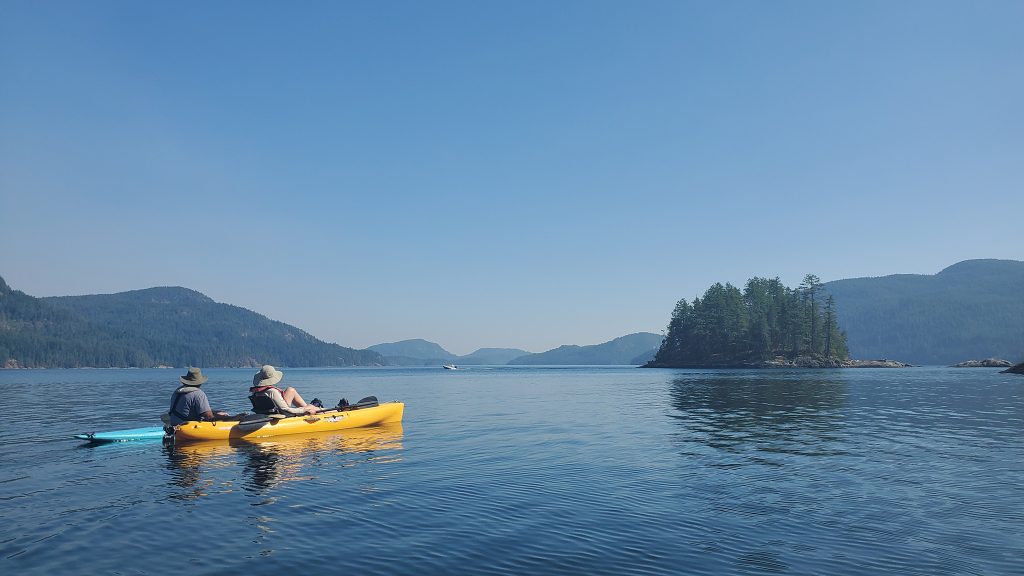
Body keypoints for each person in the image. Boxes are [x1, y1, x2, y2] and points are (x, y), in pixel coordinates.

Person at [167, 367, 239, 426]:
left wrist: (216, 413)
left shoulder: (177, 391)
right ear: (200, 383)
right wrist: (229, 418)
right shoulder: (198, 394)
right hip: (186, 428)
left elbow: (198, 410)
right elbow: (209, 417)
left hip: (173, 424)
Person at [248, 365, 320, 416]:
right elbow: (285, 409)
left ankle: (312, 407)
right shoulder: (272, 392)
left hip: (268, 412)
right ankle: (318, 410)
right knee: (311, 407)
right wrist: (305, 410)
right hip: (282, 413)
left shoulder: (256, 392)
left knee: (290, 390)